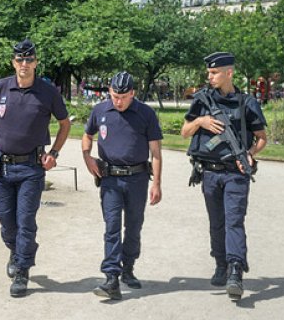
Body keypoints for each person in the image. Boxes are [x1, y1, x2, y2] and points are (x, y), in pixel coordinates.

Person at [0, 39, 70, 298]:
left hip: (31, 167)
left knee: (25, 221)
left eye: (29, 60)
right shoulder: (1, 87)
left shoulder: (48, 92)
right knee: (6, 220)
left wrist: (54, 153)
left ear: (36, 62)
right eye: (20, 60)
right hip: (2, 168)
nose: (24, 65)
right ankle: (17, 251)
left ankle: (22, 271)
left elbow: (64, 124)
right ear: (13, 62)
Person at [180, 52, 267, 301]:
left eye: (214, 72)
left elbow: (262, 138)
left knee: (234, 222)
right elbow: (185, 132)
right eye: (209, 72)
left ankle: (236, 271)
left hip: (235, 174)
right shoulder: (202, 100)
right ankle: (221, 264)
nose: (210, 76)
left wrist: (250, 154)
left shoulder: (247, 103)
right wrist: (201, 121)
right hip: (209, 173)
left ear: (229, 73)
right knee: (216, 223)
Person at [82, 72, 163, 300]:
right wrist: (87, 156)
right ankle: (111, 277)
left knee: (134, 227)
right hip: (110, 179)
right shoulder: (100, 111)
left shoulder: (146, 113)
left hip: (137, 178)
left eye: (124, 97)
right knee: (112, 226)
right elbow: (87, 136)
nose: (118, 101)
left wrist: (156, 183)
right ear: (109, 92)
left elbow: (156, 153)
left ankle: (128, 267)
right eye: (115, 96)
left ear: (132, 94)